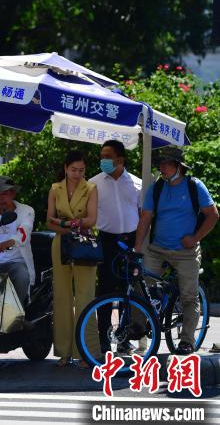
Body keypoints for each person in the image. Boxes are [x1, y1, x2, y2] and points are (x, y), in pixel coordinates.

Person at [133, 147, 218, 355]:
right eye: (160, 163)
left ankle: (187, 340)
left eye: (167, 163)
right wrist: (136, 249)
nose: (162, 167)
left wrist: (195, 238)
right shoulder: (157, 188)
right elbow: (145, 218)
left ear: (178, 166)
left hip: (186, 251)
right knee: (141, 285)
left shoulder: (194, 186)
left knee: (189, 296)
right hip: (158, 248)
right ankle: (137, 327)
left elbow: (213, 215)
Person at [46, 150, 100, 368]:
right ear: (66, 168)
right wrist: (70, 224)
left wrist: (66, 223)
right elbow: (49, 222)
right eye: (74, 169)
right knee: (61, 296)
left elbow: (91, 219)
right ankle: (64, 351)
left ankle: (86, 351)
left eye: (82, 170)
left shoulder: (91, 188)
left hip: (84, 243)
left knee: (85, 296)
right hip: (60, 243)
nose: (78, 174)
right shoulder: (55, 189)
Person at [89, 140, 141, 355]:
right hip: (107, 241)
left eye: (107, 156)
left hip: (131, 241)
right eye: (101, 156)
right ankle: (103, 338)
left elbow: (145, 215)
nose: (103, 160)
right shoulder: (93, 183)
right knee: (105, 291)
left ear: (120, 159)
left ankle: (124, 338)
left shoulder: (138, 184)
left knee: (127, 289)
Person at [0, 176, 35, 305]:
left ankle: (18, 315)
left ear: (13, 193)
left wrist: (10, 241)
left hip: (15, 261)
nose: (0, 198)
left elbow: (24, 233)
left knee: (22, 277)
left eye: (4, 194)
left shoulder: (26, 211)